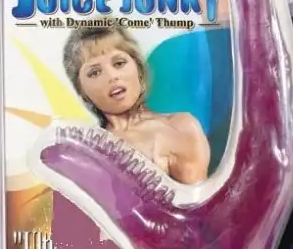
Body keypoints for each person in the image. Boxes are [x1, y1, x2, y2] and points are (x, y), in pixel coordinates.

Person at [63, 23, 210, 184]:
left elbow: (200, 198)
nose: (112, 76)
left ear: (138, 68)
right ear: (82, 90)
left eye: (119, 63)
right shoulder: (86, 152)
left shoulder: (181, 127)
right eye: (95, 72)